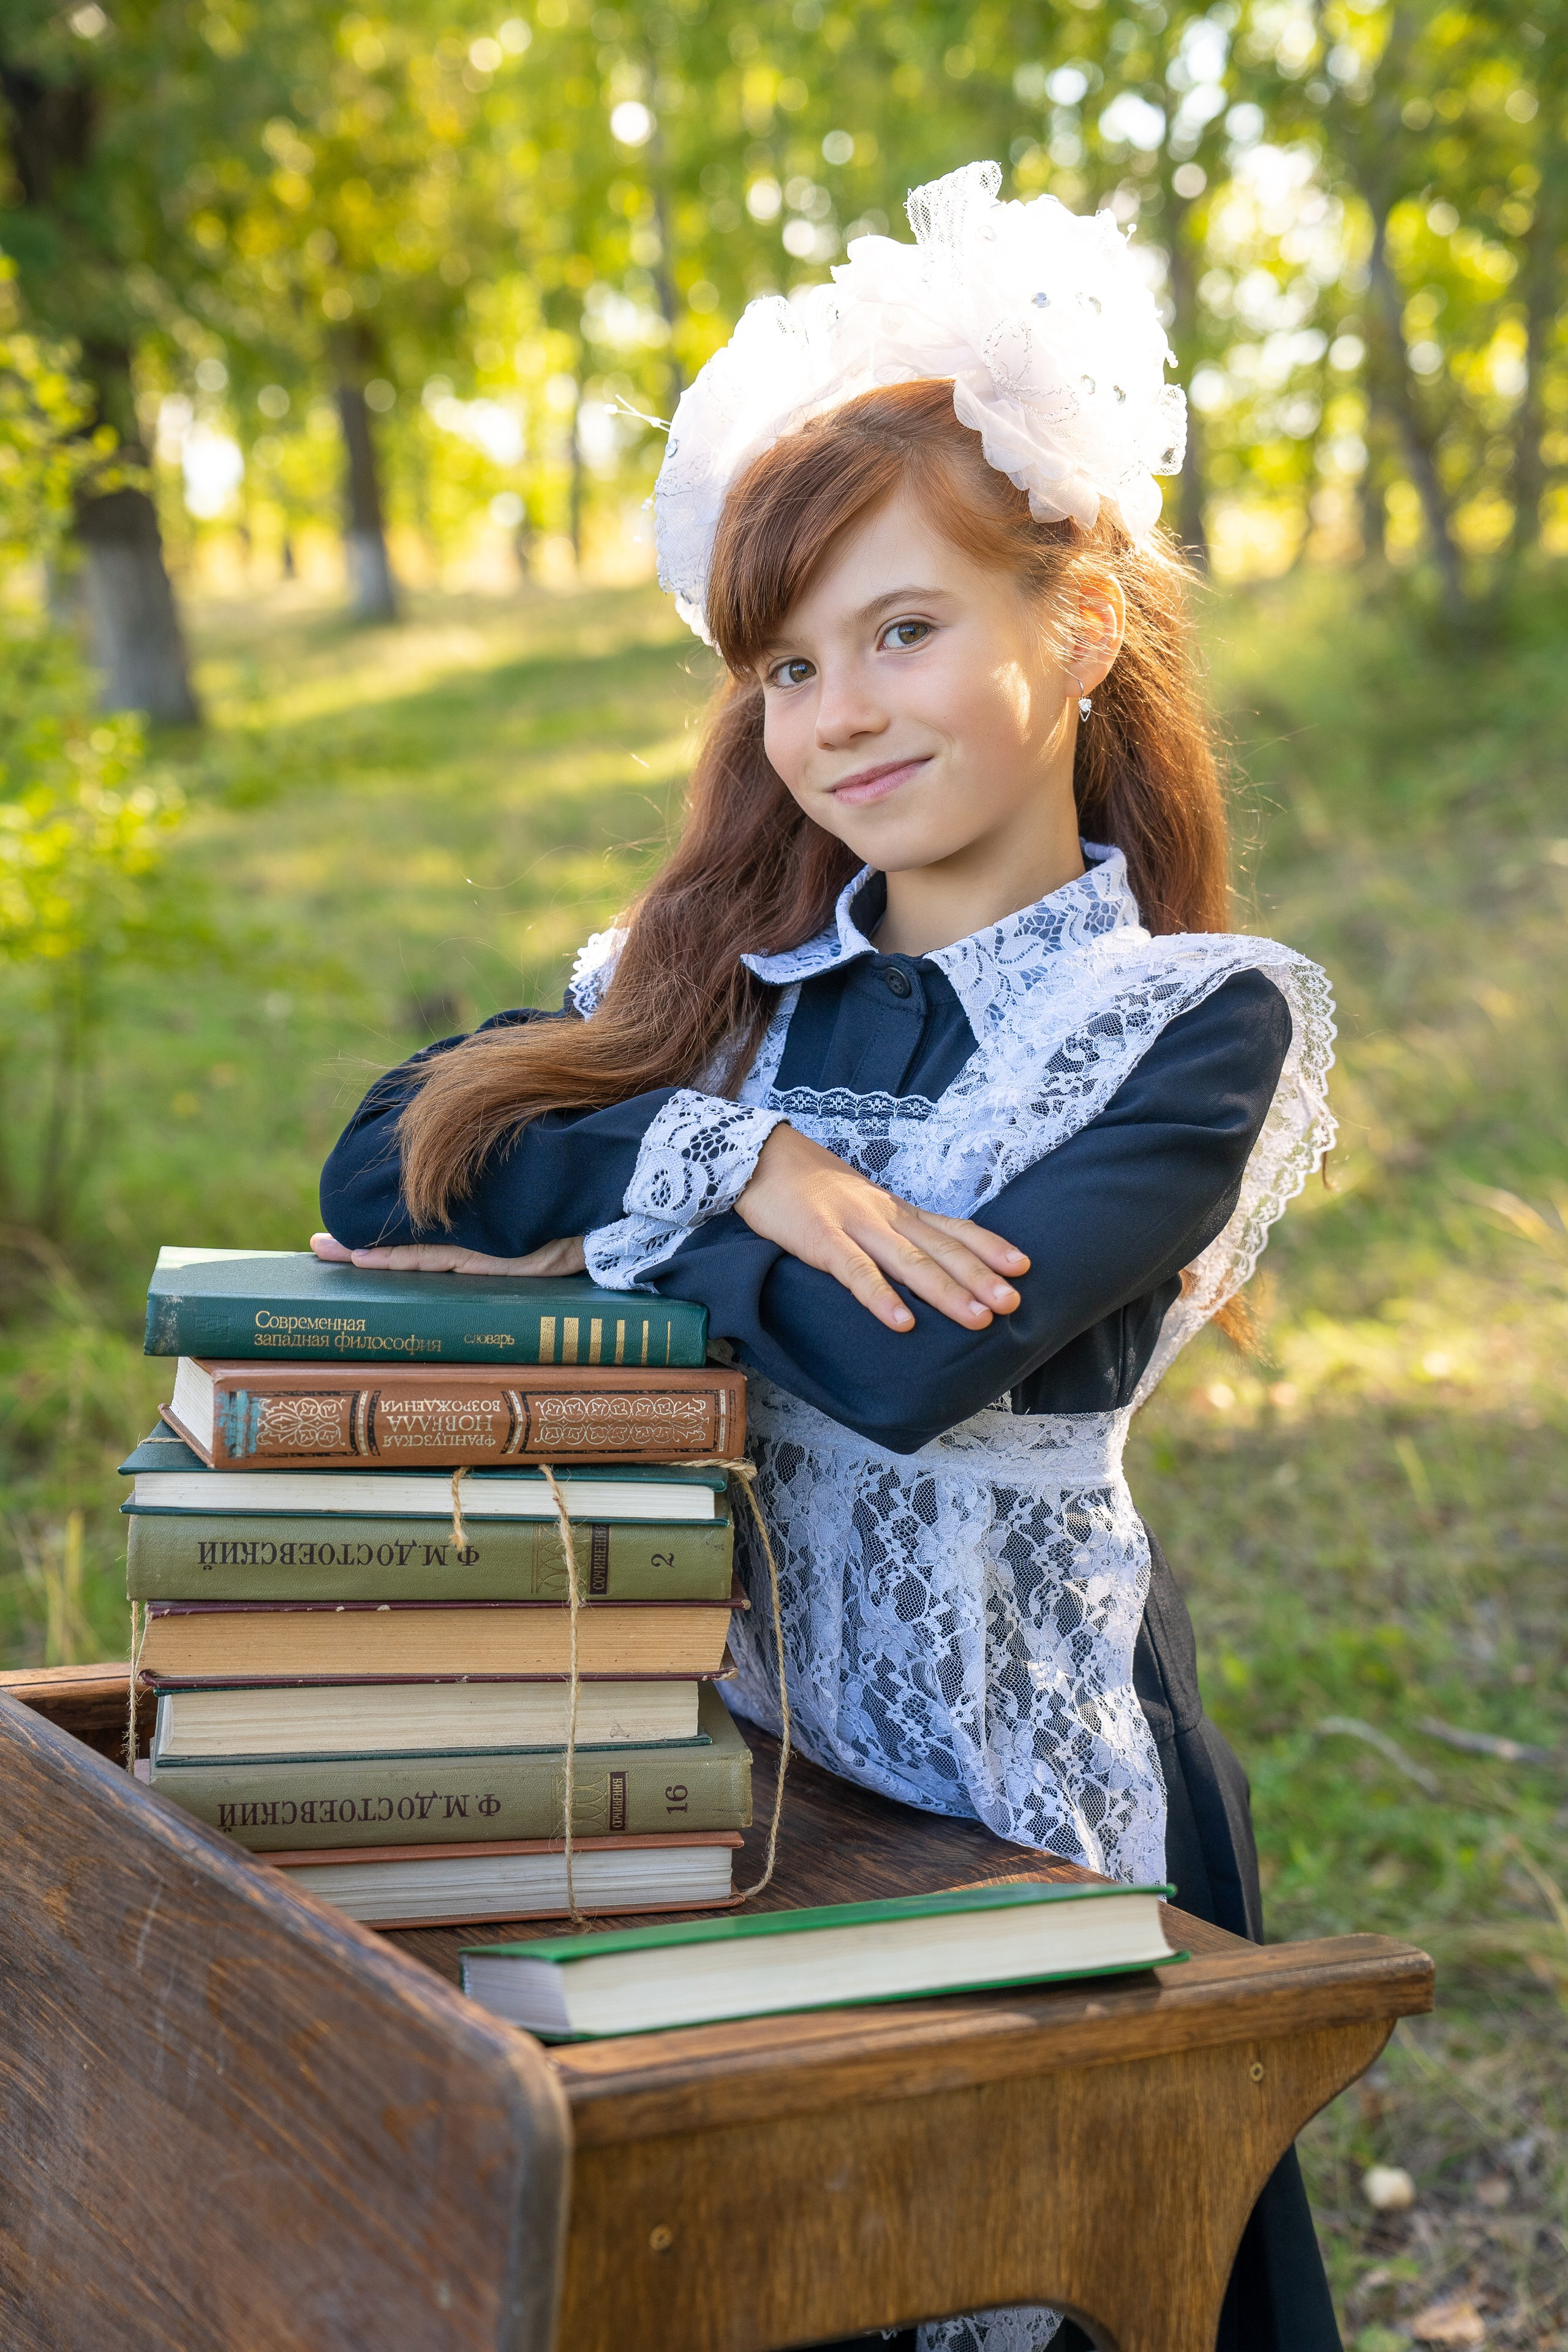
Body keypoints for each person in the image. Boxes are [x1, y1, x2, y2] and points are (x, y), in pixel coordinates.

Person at [315, 163, 1340, 2352]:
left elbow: (906, 1372)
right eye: (790, 663)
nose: (842, 713)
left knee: (1030, 2282)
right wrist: (737, 1158)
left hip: (1030, 1800)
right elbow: (378, 1153)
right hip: (722, 1774)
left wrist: (593, 1195)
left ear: (1076, 629)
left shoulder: (1191, 1018)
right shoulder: (718, 986)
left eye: (905, 630)